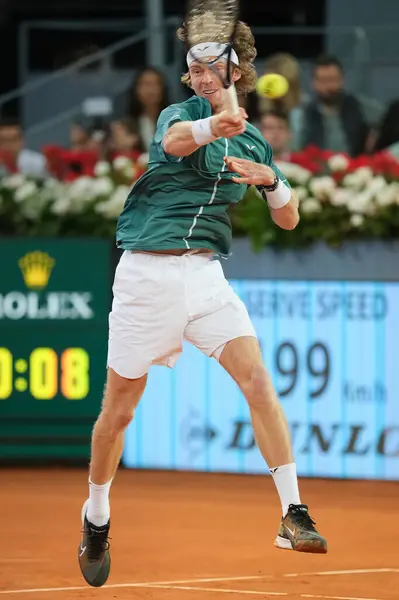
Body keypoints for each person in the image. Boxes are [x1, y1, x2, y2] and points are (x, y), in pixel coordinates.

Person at [78, 19, 328, 589]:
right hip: (146, 277)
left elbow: (289, 219)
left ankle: (293, 512)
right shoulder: (177, 116)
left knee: (258, 381)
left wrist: (272, 183)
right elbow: (175, 144)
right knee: (117, 412)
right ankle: (96, 515)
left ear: (233, 72)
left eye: (204, 68)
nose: (192, 76)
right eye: (189, 68)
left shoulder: (257, 140)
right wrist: (215, 123)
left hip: (206, 278)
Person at [300, 54, 384, 157]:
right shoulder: (305, 114)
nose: (328, 87)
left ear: (342, 80)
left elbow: (387, 119)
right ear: (313, 83)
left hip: (355, 168)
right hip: (317, 168)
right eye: (322, 81)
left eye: (332, 80)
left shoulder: (359, 106)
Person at [123, 67, 170, 152]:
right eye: (146, 84)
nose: (150, 90)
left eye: (155, 84)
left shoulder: (174, 120)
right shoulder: (126, 125)